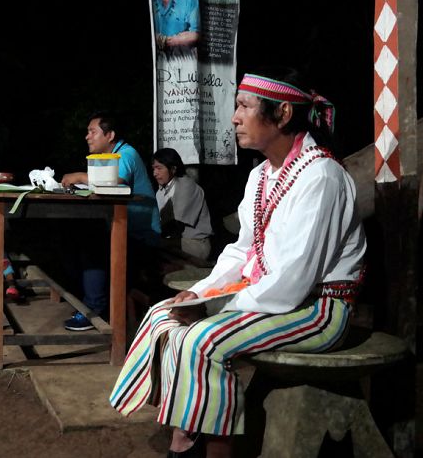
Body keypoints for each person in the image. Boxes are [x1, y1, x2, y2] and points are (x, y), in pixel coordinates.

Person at [109, 69, 366, 457]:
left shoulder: (322, 177)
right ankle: (188, 431)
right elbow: (244, 250)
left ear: (281, 114)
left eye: (245, 106)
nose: (234, 117)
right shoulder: (262, 175)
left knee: (202, 338)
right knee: (165, 314)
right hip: (274, 297)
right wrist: (200, 292)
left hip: (318, 309)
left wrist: (212, 308)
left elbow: (293, 281)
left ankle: (208, 447)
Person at [60, 111, 161, 331]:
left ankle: (94, 310)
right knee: (73, 241)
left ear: (110, 135)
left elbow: (113, 182)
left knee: (92, 249)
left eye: (92, 132)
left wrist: (77, 176)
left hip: (142, 237)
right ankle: (89, 304)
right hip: (123, 230)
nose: (87, 137)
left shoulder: (125, 153)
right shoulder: (109, 157)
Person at [152, 147, 214, 261]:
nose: (155, 173)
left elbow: (175, 223)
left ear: (173, 169)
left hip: (196, 243)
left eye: (159, 168)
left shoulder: (186, 185)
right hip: (174, 240)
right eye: (154, 169)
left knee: (153, 246)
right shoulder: (161, 191)